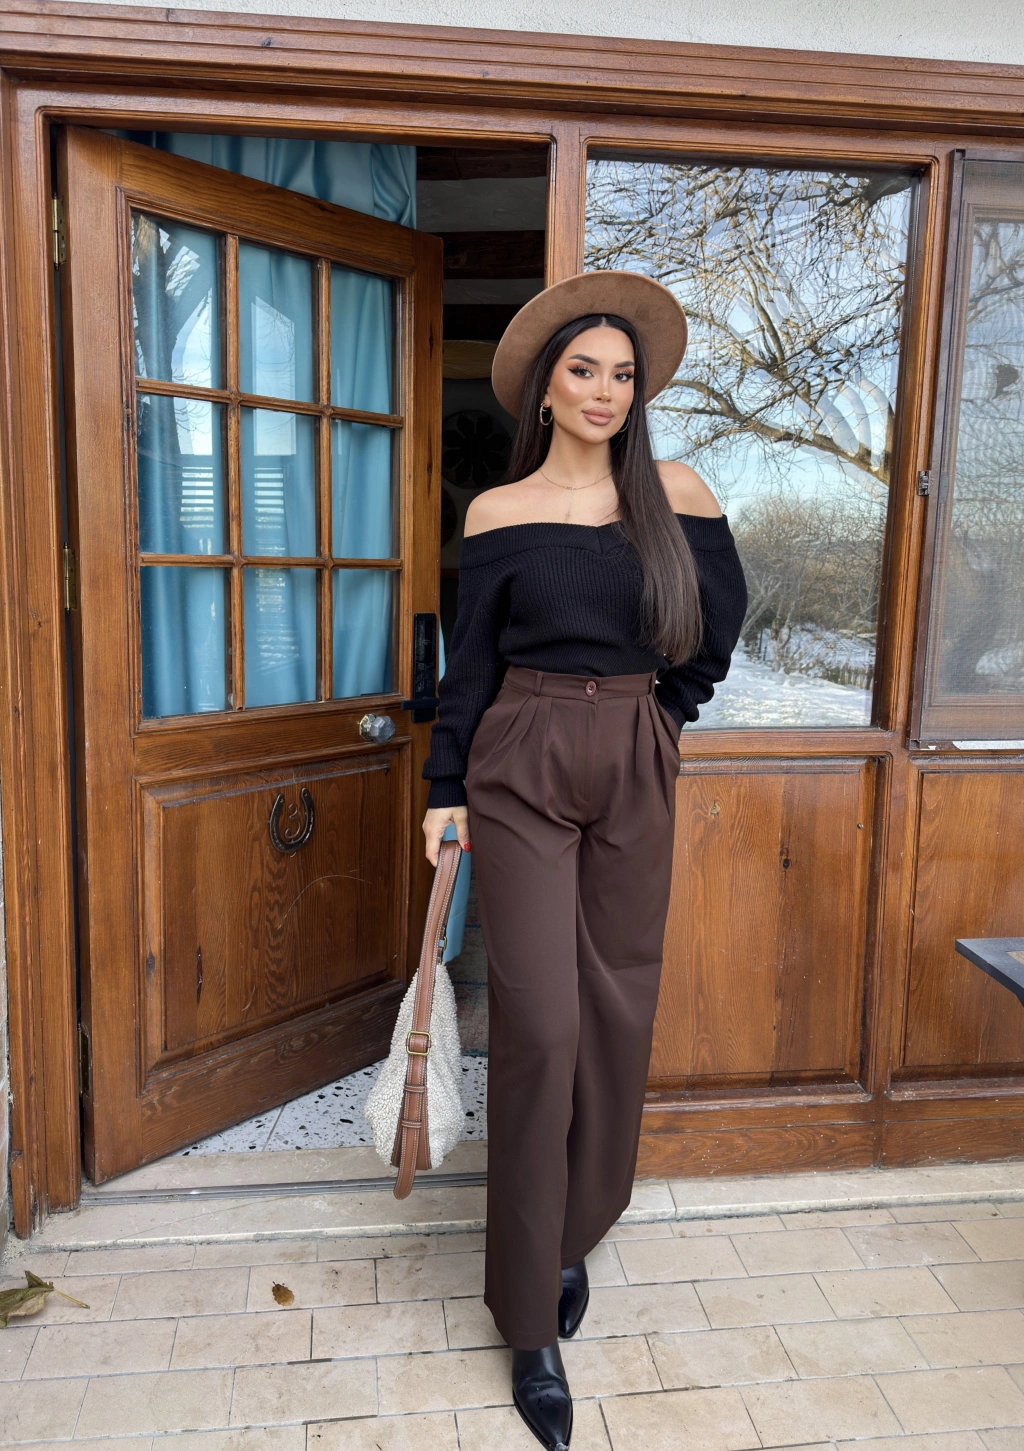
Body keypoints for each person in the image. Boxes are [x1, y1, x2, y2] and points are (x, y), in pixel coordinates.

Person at [421, 271, 748, 1451]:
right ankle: (529, 1321)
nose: (605, 391)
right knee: (541, 1024)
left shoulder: (677, 492)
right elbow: (469, 665)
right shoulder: (498, 513)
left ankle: (569, 1229)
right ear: (545, 390)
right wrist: (444, 788)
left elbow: (718, 627)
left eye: (622, 374)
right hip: (520, 753)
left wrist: (658, 720)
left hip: (634, 750)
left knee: (615, 1008)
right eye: (583, 371)